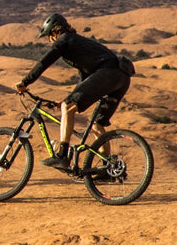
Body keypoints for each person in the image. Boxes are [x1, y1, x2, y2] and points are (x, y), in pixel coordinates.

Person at [14, 13, 133, 172]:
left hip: (109, 73)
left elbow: (44, 62)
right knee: (97, 124)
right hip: (122, 77)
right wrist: (65, 100)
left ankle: (62, 155)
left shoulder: (64, 40)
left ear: (55, 32)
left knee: (68, 107)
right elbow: (85, 80)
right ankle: (107, 167)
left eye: (49, 36)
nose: (49, 40)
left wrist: (25, 82)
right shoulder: (77, 43)